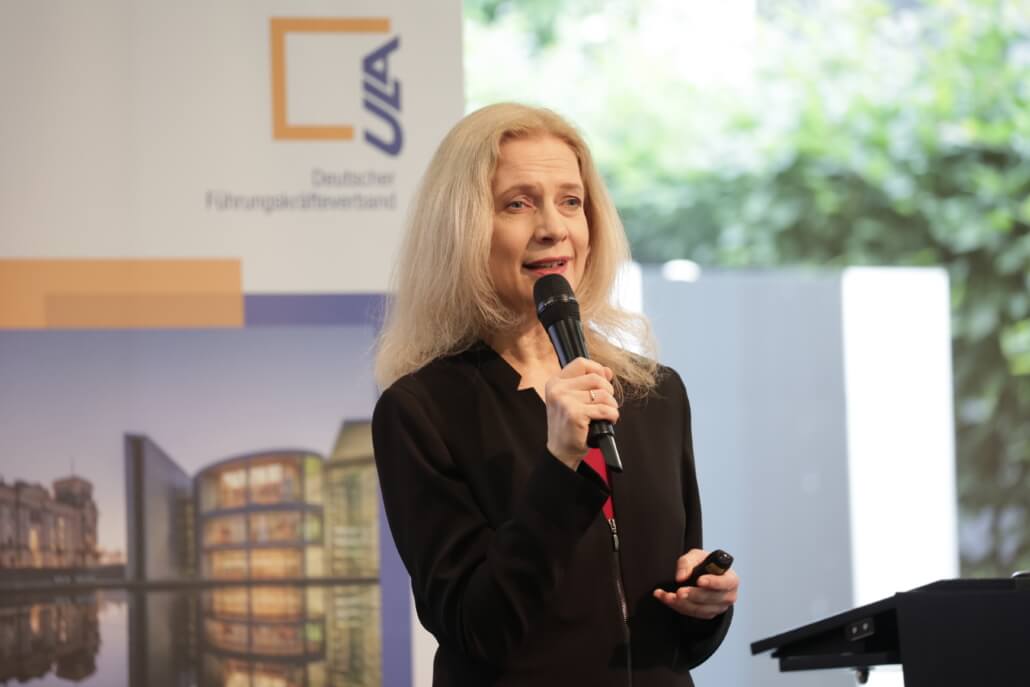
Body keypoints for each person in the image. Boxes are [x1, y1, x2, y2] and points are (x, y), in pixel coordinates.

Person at [372, 103, 739, 686]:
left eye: (571, 201)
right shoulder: (421, 412)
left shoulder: (657, 394)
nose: (553, 227)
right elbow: (476, 626)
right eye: (518, 204)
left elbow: (668, 633)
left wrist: (704, 607)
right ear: (463, 229)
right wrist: (560, 463)